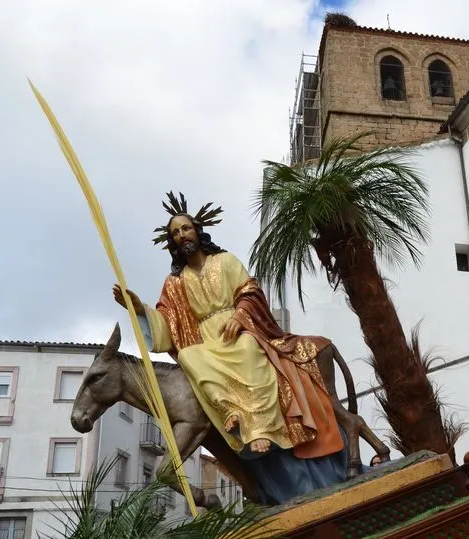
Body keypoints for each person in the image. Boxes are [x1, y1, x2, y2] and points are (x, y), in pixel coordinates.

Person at [113, 195, 347, 504]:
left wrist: (239, 316)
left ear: (197, 231)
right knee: (189, 356)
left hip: (238, 328)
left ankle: (261, 427)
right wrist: (139, 308)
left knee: (248, 349)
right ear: (172, 242)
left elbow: (250, 291)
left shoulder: (225, 261)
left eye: (186, 229)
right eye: (176, 233)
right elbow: (168, 322)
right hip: (205, 343)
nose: (182, 235)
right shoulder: (175, 283)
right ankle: (232, 412)